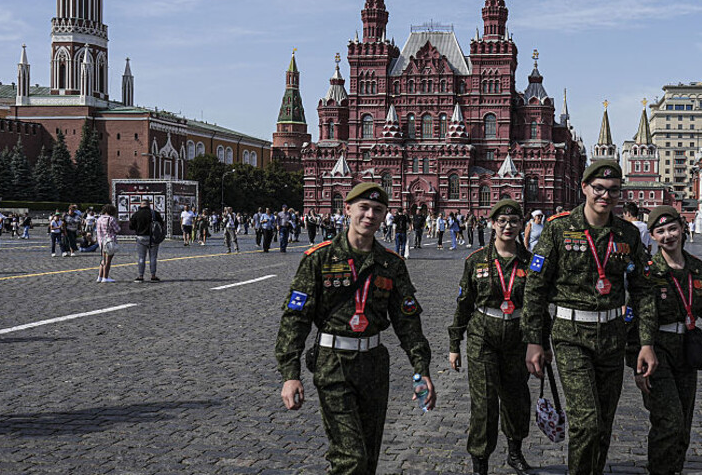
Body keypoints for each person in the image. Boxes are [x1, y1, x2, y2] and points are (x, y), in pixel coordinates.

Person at [275, 182, 434, 475]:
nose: (370, 215)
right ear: (347, 209)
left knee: (369, 458)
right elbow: (295, 319)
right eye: (363, 207)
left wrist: (421, 370)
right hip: (333, 363)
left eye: (377, 210)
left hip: (374, 365)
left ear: (385, 215)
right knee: (351, 458)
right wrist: (290, 375)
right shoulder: (319, 259)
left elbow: (407, 323)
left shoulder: (391, 264)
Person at [522, 160, 657, 475]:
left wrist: (646, 343)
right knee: (586, 423)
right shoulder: (558, 228)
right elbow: (535, 289)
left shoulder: (627, 233)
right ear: (584, 188)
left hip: (613, 336)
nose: (605, 196)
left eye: (613, 190)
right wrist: (534, 340)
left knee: (603, 424)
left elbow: (643, 290)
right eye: (598, 188)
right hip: (571, 335)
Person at [630, 206, 702, 475]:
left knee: (684, 423)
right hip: (656, 350)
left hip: (687, 350)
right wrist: (637, 362)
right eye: (661, 231)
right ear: (653, 237)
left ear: (682, 228)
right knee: (669, 420)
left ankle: (674, 467)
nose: (668, 236)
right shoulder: (647, 272)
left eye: (672, 229)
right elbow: (634, 320)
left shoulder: (696, 268)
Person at [449, 199, 544, 475]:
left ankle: (515, 453)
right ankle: (480, 463)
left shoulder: (530, 263)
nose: (508, 226)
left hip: (518, 338)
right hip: (483, 337)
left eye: (514, 221)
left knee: (516, 399)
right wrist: (455, 344)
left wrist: (542, 345)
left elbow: (539, 307)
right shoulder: (476, 260)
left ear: (521, 225)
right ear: (492, 224)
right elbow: (464, 304)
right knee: (485, 404)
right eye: (501, 221)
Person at [129, 199, 164, 283]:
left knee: (141, 257)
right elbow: (161, 224)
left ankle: (140, 276)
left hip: (140, 237)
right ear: (149, 205)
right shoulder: (154, 214)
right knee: (153, 257)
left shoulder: (136, 214)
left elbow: (131, 227)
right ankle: (153, 276)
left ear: (141, 205)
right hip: (153, 238)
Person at [95, 204, 120, 283]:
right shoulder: (111, 219)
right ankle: (105, 277)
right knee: (108, 261)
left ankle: (100, 276)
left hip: (101, 241)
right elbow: (117, 229)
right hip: (109, 241)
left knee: (103, 259)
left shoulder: (99, 219)